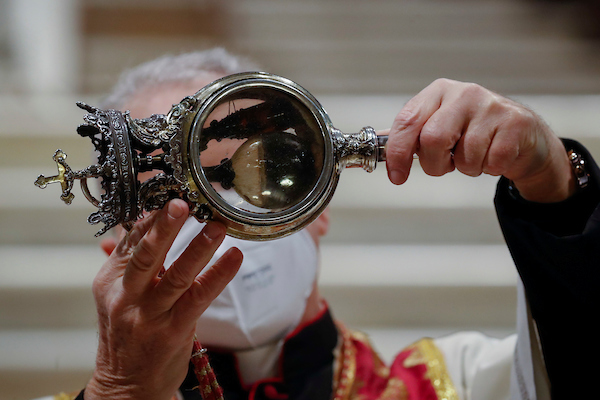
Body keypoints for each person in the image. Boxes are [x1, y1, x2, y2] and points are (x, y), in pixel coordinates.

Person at [41, 48, 599, 400]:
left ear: (318, 205)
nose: (223, 218)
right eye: (167, 193)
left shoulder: (465, 385)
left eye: (258, 171)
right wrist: (124, 392)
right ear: (116, 244)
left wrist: (554, 186)